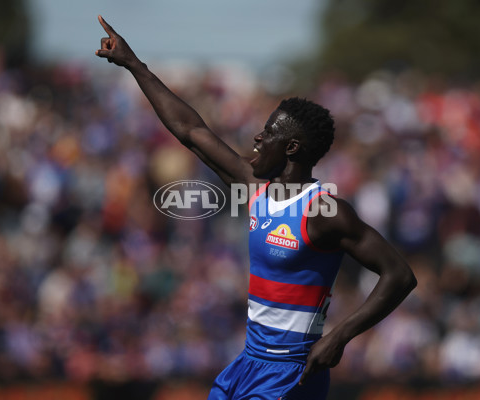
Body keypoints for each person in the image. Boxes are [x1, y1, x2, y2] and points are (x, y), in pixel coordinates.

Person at [95, 15, 417, 400]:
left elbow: (399, 275)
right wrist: (134, 64)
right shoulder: (254, 188)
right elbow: (191, 130)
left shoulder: (325, 211)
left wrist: (339, 337)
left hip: (292, 372)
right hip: (248, 364)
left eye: (269, 133)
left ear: (292, 148)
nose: (257, 137)